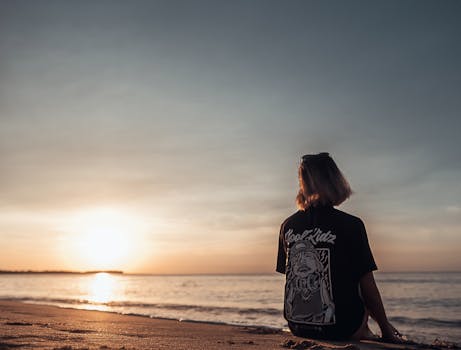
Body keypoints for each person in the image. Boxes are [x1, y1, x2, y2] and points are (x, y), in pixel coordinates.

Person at [276, 152, 402, 342]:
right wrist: (386, 329)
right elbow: (368, 285)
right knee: (358, 279)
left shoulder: (288, 226)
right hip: (342, 329)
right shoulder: (351, 225)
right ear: (334, 180)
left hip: (298, 327)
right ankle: (368, 332)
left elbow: (291, 279)